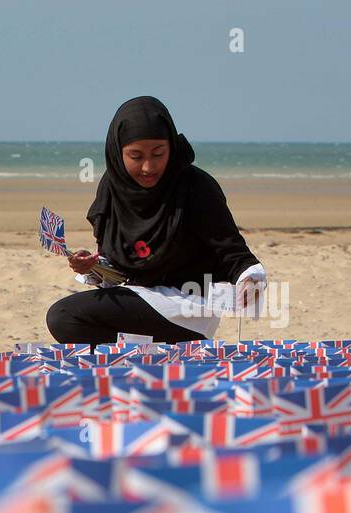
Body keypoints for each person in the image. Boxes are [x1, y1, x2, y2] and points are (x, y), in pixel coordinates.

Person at [45, 96, 267, 345]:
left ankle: (143, 357)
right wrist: (94, 266)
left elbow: (233, 253)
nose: (148, 167)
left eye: (158, 154)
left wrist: (249, 280)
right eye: (136, 156)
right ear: (118, 153)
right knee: (66, 321)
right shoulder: (112, 187)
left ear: (172, 147)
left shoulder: (195, 186)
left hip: (189, 306)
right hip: (139, 294)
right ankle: (147, 362)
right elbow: (120, 267)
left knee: (64, 315)